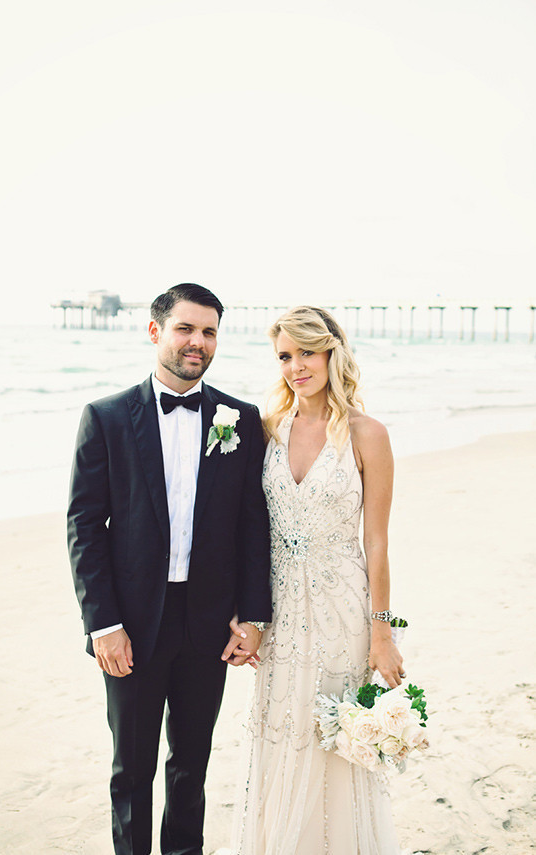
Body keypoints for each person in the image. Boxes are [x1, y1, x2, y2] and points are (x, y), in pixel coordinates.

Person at [67, 283, 272, 855]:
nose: (197, 342)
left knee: (191, 767)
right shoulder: (105, 418)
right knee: (131, 768)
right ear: (155, 331)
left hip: (208, 624)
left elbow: (253, 525)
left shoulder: (241, 418)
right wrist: (102, 623)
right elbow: (85, 527)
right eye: (186, 328)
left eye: (209, 332)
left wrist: (254, 615)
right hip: (131, 624)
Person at [226, 305, 404, 854]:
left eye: (307, 352)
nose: (296, 366)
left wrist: (382, 633)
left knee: (336, 738)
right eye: (285, 355)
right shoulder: (263, 430)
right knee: (282, 734)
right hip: (278, 609)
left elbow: (376, 541)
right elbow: (241, 528)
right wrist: (243, 612)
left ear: (333, 352)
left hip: (343, 610)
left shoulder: (367, 434)